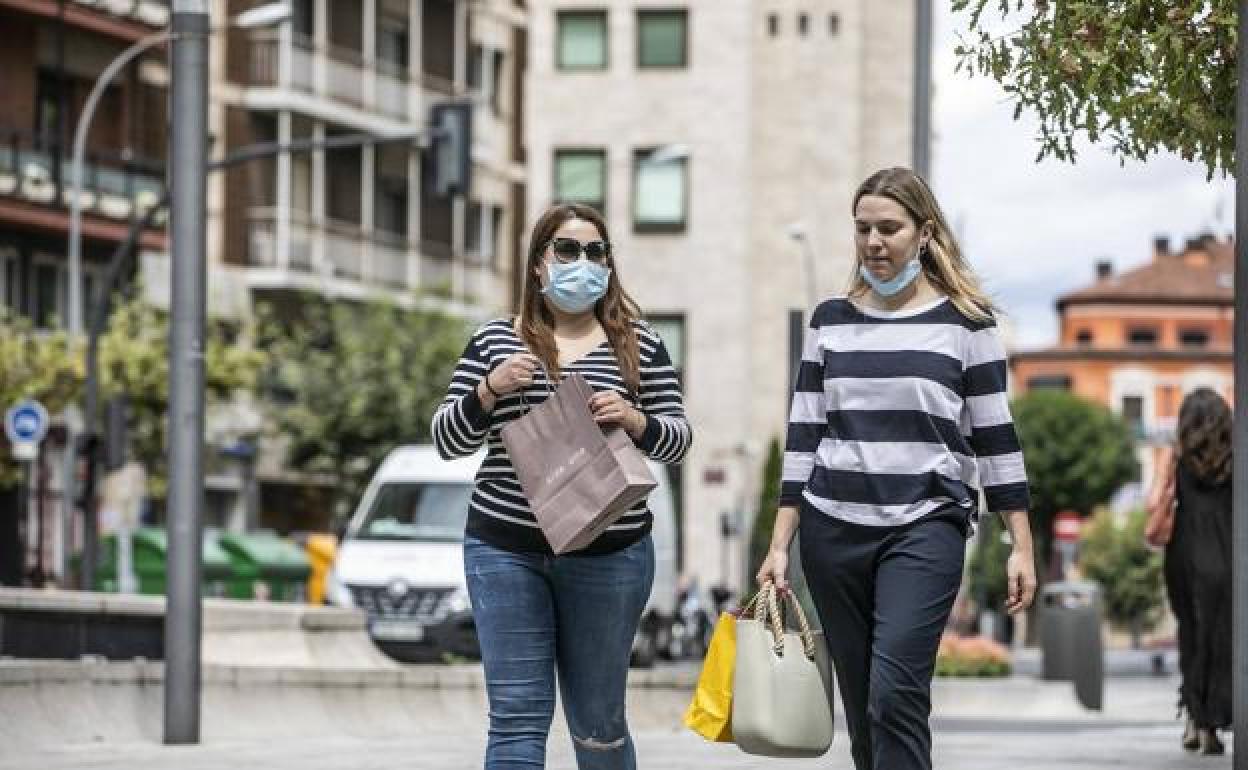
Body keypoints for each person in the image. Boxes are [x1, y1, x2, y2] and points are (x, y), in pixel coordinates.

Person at [756, 167, 1037, 770]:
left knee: (895, 696)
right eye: (863, 229)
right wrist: (781, 543)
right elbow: (803, 435)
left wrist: (1021, 544)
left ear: (925, 232)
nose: (874, 242)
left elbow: (996, 438)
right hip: (833, 529)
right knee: (861, 710)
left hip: (925, 526)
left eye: (889, 228)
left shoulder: (968, 324)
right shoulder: (830, 321)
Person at [431, 202, 692, 770]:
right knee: (517, 719)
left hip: (610, 554)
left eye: (596, 252)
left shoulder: (639, 345)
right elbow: (447, 439)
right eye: (568, 250)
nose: (583, 263)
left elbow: (678, 439)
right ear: (538, 264)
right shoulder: (495, 339)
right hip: (506, 550)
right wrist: (487, 392)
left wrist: (633, 418)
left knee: (598, 723)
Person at [1158, 387, 1233, 755]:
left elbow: (1157, 499)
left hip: (1184, 552)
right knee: (1220, 637)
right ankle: (1210, 723)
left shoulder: (1177, 455)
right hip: (1227, 551)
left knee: (1191, 634)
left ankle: (1194, 718)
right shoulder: (1235, 456)